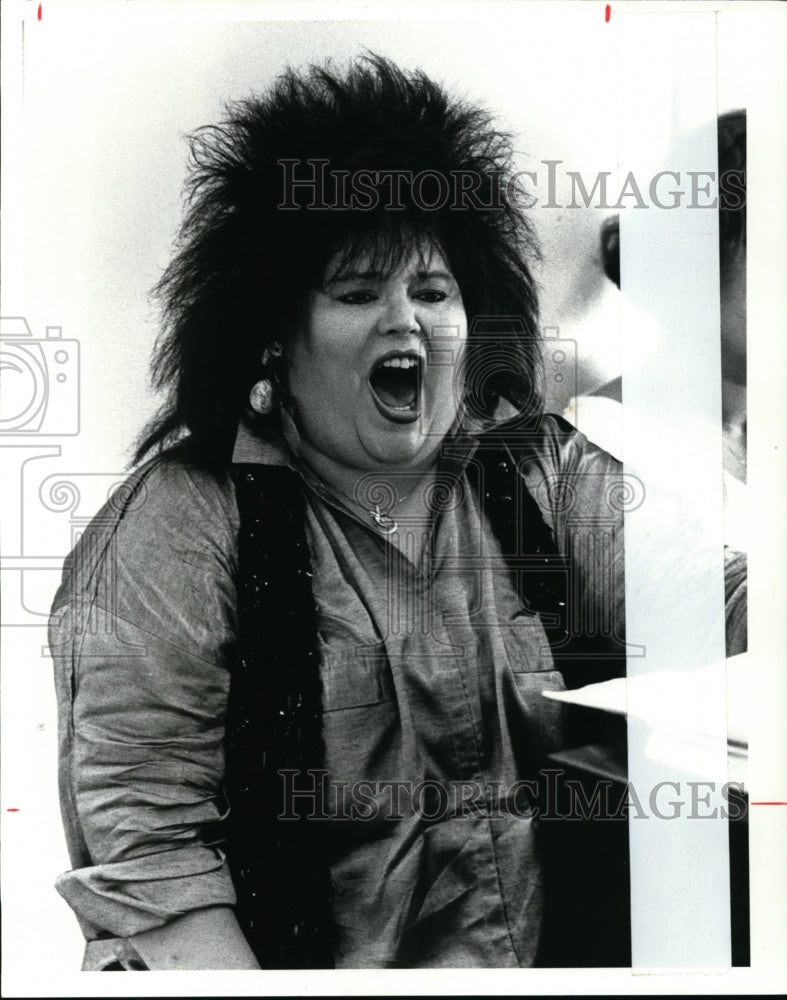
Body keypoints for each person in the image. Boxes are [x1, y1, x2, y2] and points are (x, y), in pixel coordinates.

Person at [48, 56, 735, 971]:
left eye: (432, 291)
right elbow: (154, 863)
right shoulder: (180, 527)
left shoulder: (540, 473)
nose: (405, 322)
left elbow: (711, 600)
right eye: (358, 292)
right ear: (272, 335)